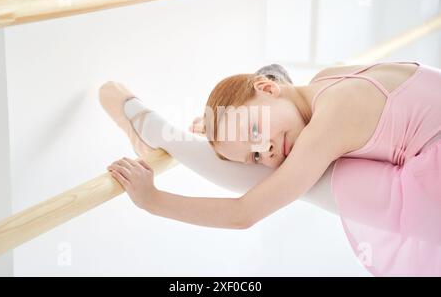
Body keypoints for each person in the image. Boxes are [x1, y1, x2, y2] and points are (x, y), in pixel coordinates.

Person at [99, 62, 441, 276]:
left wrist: (152, 200)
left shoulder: (335, 115)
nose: (267, 150)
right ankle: (149, 124)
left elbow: (244, 213)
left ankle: (151, 127)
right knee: (294, 168)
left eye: (255, 132)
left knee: (290, 178)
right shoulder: (327, 78)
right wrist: (230, 130)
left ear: (266, 86)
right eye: (255, 155)